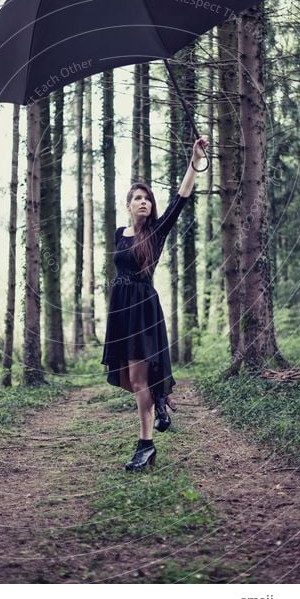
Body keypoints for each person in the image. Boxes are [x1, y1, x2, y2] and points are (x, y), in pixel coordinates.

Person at [101, 136, 210, 471]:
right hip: (121, 310)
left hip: (144, 310)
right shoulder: (120, 234)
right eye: (137, 198)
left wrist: (195, 161)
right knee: (130, 379)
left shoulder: (157, 232)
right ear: (128, 205)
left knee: (137, 381)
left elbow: (181, 198)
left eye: (147, 198)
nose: (143, 202)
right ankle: (160, 397)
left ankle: (145, 445)